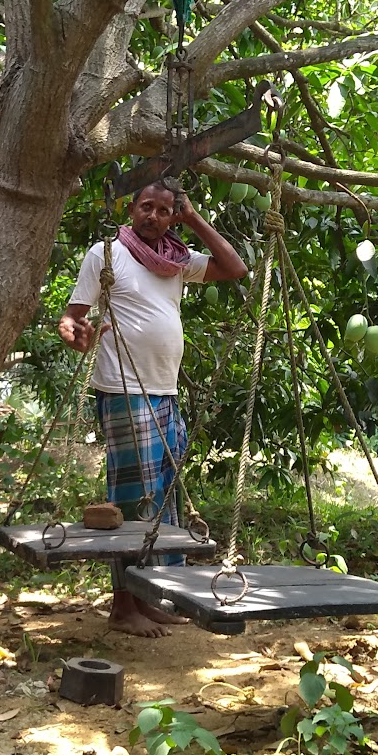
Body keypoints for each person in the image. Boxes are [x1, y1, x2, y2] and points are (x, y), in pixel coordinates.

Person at [58, 179, 249, 636]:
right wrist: (74, 332)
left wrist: (194, 219)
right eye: (147, 207)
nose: (154, 216)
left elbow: (235, 268)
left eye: (165, 211)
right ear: (131, 208)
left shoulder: (175, 261)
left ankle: (151, 596)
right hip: (124, 389)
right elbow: (73, 315)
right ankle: (124, 606)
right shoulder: (106, 253)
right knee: (132, 497)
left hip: (165, 393)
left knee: (164, 500)